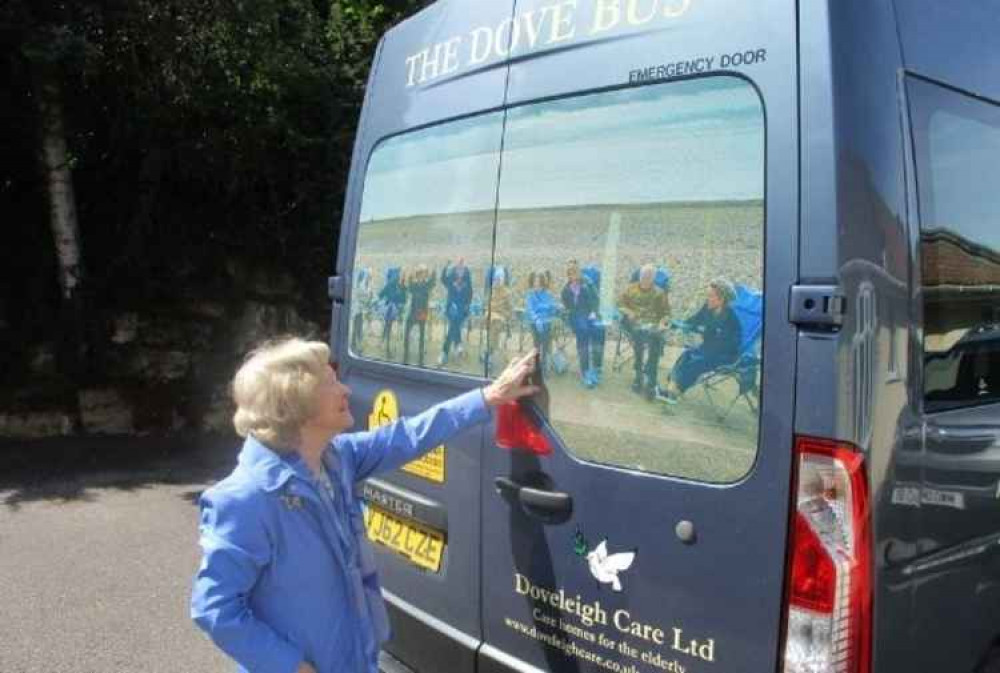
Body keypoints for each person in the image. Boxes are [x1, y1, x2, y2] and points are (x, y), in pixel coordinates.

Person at [191, 338, 540, 673]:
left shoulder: (336, 458)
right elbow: (215, 609)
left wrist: (489, 398)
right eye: (330, 383)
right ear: (295, 404)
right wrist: (291, 668)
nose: (346, 390)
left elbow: (408, 435)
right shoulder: (245, 499)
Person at [661, 279, 742, 403]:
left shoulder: (731, 319)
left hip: (725, 355)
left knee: (697, 362)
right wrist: (673, 324)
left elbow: (730, 344)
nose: (707, 299)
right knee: (686, 355)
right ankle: (671, 388)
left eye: (711, 296)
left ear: (721, 299)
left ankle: (675, 392)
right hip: (707, 349)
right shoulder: (707, 308)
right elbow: (692, 321)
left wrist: (706, 334)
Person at [617, 264, 671, 399]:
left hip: (652, 325)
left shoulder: (659, 293)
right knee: (639, 336)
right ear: (639, 276)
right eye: (643, 276)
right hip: (634, 323)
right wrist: (628, 312)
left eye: (649, 277)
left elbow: (666, 313)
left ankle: (651, 379)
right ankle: (638, 375)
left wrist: (663, 322)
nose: (645, 279)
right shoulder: (630, 290)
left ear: (653, 278)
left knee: (656, 339)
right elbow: (619, 304)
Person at [561, 259, 604, 388]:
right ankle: (585, 370)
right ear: (568, 275)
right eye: (570, 273)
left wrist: (594, 313)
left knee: (599, 329)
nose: (573, 275)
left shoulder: (588, 284)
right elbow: (567, 306)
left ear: (579, 272)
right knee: (583, 330)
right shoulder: (566, 289)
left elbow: (596, 301)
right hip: (576, 316)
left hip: (590, 313)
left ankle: (596, 366)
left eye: (575, 272)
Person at [439, 259, 472, 366]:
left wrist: (467, 305)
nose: (460, 271)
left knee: (454, 324)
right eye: (458, 267)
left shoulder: (467, 283)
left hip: (462, 309)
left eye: (462, 268)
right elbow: (442, 279)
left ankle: (444, 352)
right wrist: (445, 266)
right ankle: (458, 345)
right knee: (455, 321)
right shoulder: (450, 280)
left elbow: (470, 294)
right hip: (451, 308)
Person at [402, 264, 436, 367]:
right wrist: (407, 276)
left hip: (422, 312)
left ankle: (420, 359)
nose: (422, 275)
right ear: (418, 274)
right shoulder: (414, 284)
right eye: (421, 273)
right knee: (407, 332)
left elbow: (433, 282)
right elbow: (407, 287)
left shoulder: (427, 284)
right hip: (413, 311)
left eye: (424, 273)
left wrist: (433, 272)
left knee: (421, 334)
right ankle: (406, 355)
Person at [525, 270, 560, 370]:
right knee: (537, 340)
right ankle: (536, 363)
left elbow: (552, 309)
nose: (536, 283)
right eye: (535, 281)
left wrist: (554, 308)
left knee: (546, 338)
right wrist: (536, 319)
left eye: (538, 281)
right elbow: (530, 309)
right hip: (535, 321)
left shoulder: (547, 294)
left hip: (546, 321)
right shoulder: (530, 294)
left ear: (542, 282)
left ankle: (544, 363)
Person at [485, 266, 514, 374]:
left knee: (495, 325)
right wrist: (494, 309)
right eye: (495, 279)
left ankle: (490, 352)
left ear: (502, 280)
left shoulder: (507, 293)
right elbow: (487, 305)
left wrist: (504, 314)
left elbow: (510, 309)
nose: (497, 281)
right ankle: (492, 352)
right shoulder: (491, 291)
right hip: (490, 315)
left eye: (499, 279)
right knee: (493, 323)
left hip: (500, 318)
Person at [377, 268, 406, 359]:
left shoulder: (400, 286)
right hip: (390, 310)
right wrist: (386, 301)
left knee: (388, 327)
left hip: (395, 310)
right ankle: (387, 347)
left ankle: (385, 344)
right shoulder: (391, 285)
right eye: (398, 275)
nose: (399, 277)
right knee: (388, 327)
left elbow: (403, 299)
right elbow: (380, 295)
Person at [349, 267, 373, 356]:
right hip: (357, 310)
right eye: (368, 275)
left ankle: (355, 345)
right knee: (357, 328)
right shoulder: (361, 285)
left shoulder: (363, 284)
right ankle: (356, 346)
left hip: (359, 310)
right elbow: (364, 297)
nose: (369, 277)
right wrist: (369, 293)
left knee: (358, 327)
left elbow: (366, 298)